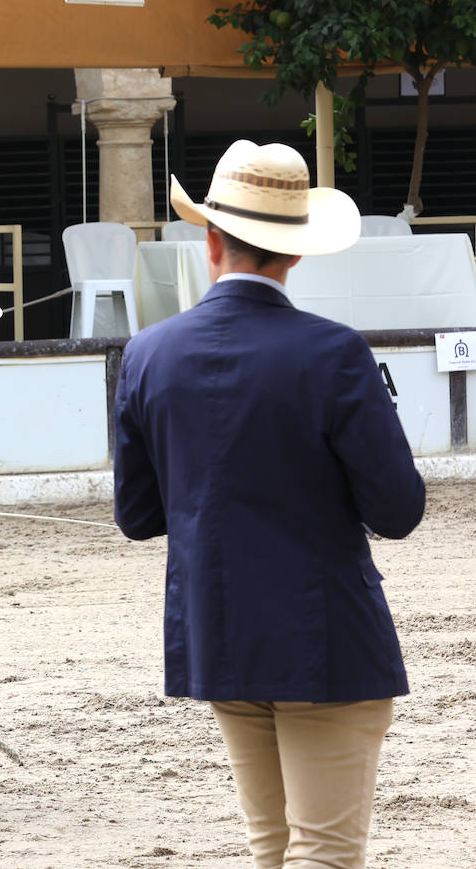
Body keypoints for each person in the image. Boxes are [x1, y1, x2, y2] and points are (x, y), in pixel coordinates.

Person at [113, 140, 426, 868]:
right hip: (322, 632)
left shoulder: (149, 352)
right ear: (296, 254)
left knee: (273, 848)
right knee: (324, 852)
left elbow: (136, 515)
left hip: (218, 626)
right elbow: (398, 509)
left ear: (211, 238)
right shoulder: (333, 352)